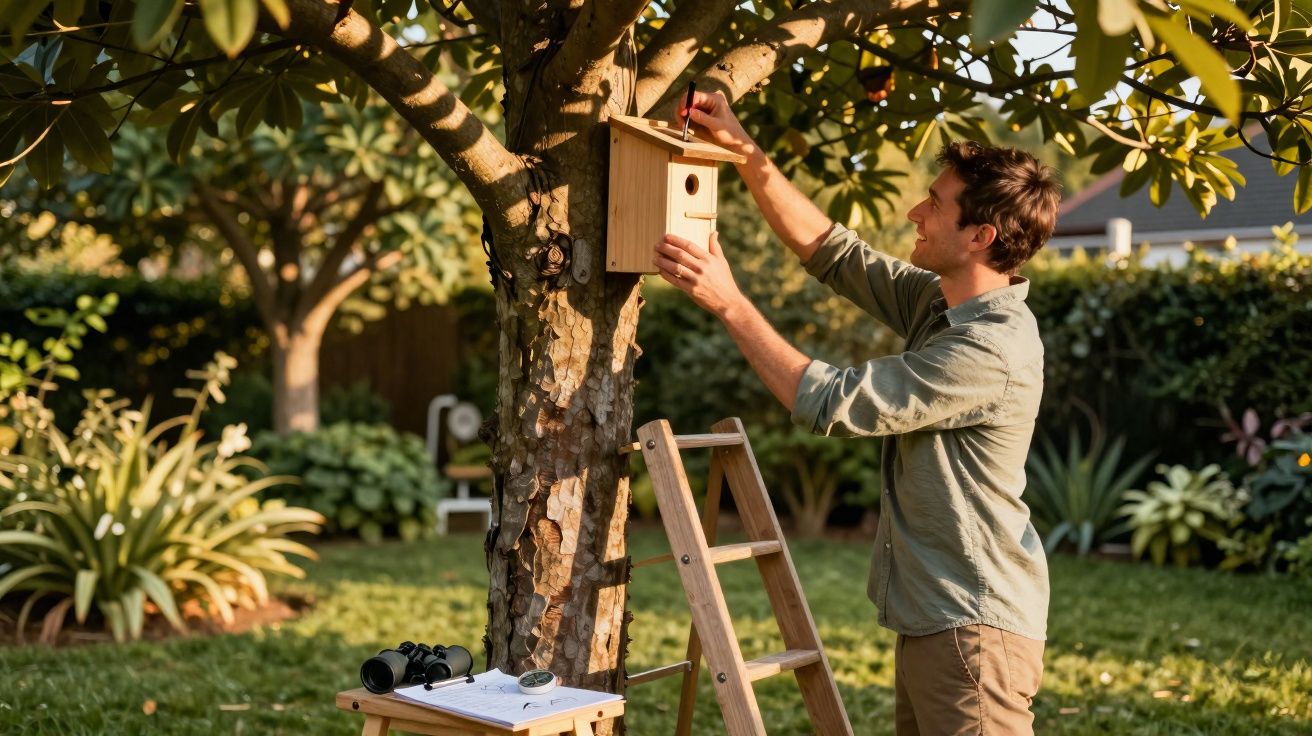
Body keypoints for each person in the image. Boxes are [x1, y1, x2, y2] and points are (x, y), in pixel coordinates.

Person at [654, 91, 1062, 735]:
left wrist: (730, 302)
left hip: (973, 629)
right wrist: (745, 152)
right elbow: (836, 254)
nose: (915, 212)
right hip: (940, 622)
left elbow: (831, 400)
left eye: (935, 204)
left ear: (980, 237)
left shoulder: (988, 349)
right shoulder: (943, 306)